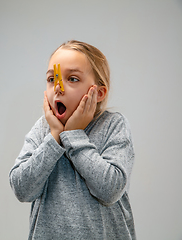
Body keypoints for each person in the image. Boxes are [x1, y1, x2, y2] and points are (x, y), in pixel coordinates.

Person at [9, 40, 136, 239]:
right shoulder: (43, 129)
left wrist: (74, 135)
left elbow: (110, 190)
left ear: (99, 92)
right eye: (52, 79)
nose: (58, 88)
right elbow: (22, 189)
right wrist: (54, 137)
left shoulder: (113, 125)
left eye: (73, 79)